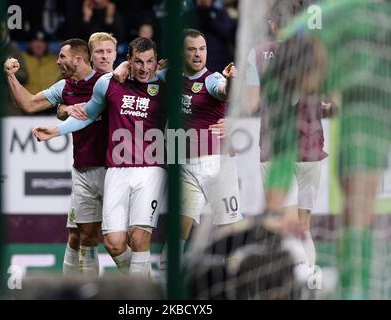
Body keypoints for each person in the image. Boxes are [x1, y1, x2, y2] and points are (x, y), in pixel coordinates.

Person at [272, 0, 391, 299]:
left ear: (320, 59)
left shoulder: (355, 17)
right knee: (355, 191)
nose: (311, 94)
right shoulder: (279, 77)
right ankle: (355, 289)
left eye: (312, 86)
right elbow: (284, 149)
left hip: (377, 70)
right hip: (361, 93)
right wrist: (273, 212)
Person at [33, 37, 167, 279]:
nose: (144, 68)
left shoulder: (165, 82)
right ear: (129, 60)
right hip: (116, 169)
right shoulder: (107, 83)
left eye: (150, 62)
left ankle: (140, 299)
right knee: (114, 243)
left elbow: (193, 78)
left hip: (151, 168)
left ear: (156, 62)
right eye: (138, 62)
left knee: (138, 237)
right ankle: (147, 283)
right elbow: (86, 115)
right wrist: (55, 130)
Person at [4, 33, 118, 279]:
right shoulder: (64, 87)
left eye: (62, 56)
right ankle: (76, 291)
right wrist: (10, 75)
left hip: (115, 169)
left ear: (78, 60)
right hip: (83, 169)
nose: (57, 62)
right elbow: (29, 104)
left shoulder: (111, 82)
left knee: (118, 240)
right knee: (81, 236)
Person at [245, 0, 333, 274]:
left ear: (271, 23)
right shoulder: (316, 52)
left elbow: (251, 107)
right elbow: (330, 104)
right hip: (310, 147)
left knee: (280, 222)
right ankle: (306, 277)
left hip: (274, 148)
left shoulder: (257, 54)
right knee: (303, 224)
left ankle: (288, 279)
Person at [157, 29, 242, 277]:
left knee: (229, 234)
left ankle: (232, 286)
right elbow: (145, 75)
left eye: (202, 49)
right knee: (177, 234)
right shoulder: (169, 76)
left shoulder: (212, 79)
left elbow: (225, 91)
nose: (198, 54)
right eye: (192, 49)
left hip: (218, 166)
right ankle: (165, 287)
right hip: (185, 167)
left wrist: (232, 80)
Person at [22, 30, 61, 115]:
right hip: (27, 106)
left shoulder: (57, 60)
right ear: (29, 43)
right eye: (35, 41)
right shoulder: (21, 58)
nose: (39, 45)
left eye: (42, 42)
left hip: (51, 106)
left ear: (47, 44)